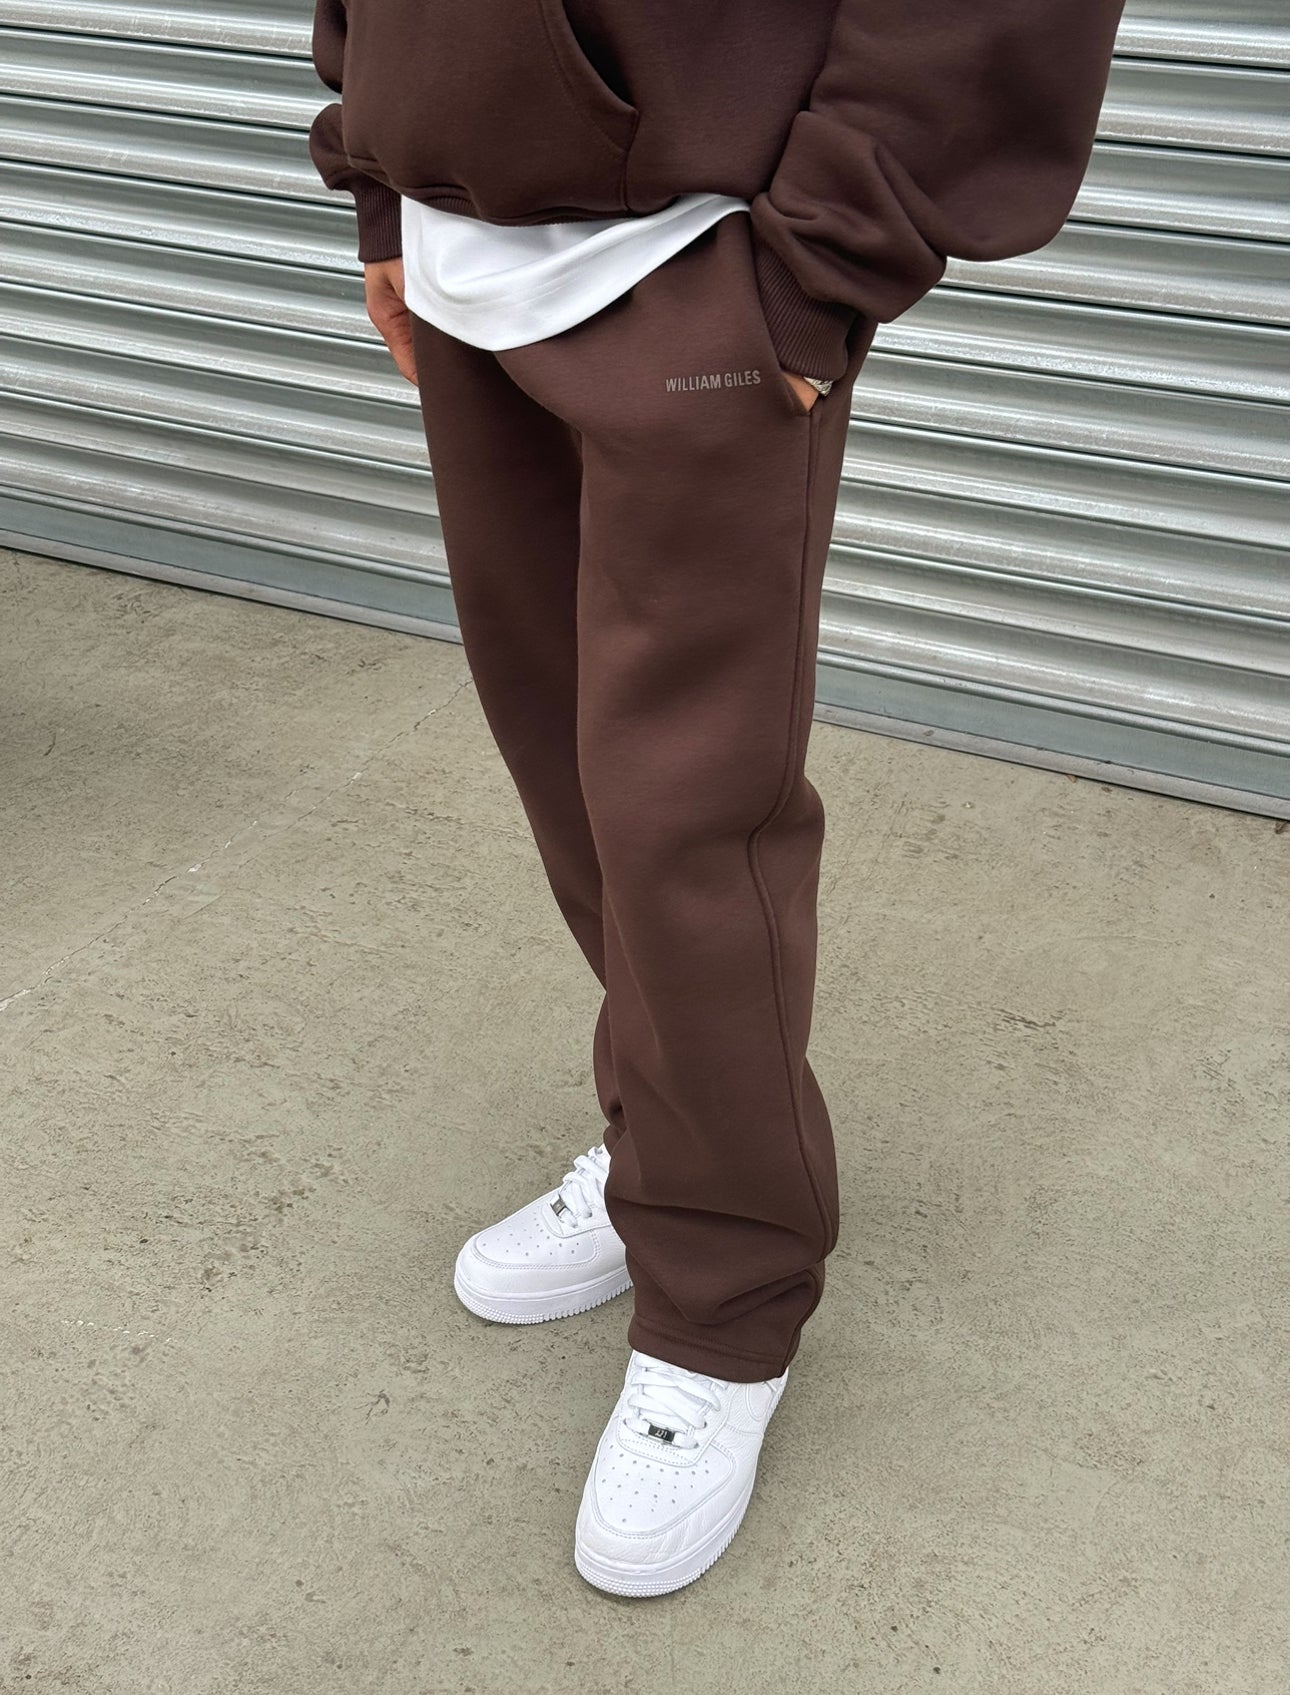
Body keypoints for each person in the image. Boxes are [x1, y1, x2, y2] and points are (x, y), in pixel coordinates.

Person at [307, 0, 1127, 1597]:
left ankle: (725, 1299)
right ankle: (658, 1152)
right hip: (460, 234)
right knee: (566, 768)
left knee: (688, 819)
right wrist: (380, 176)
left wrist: (815, 267)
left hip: (693, 258)